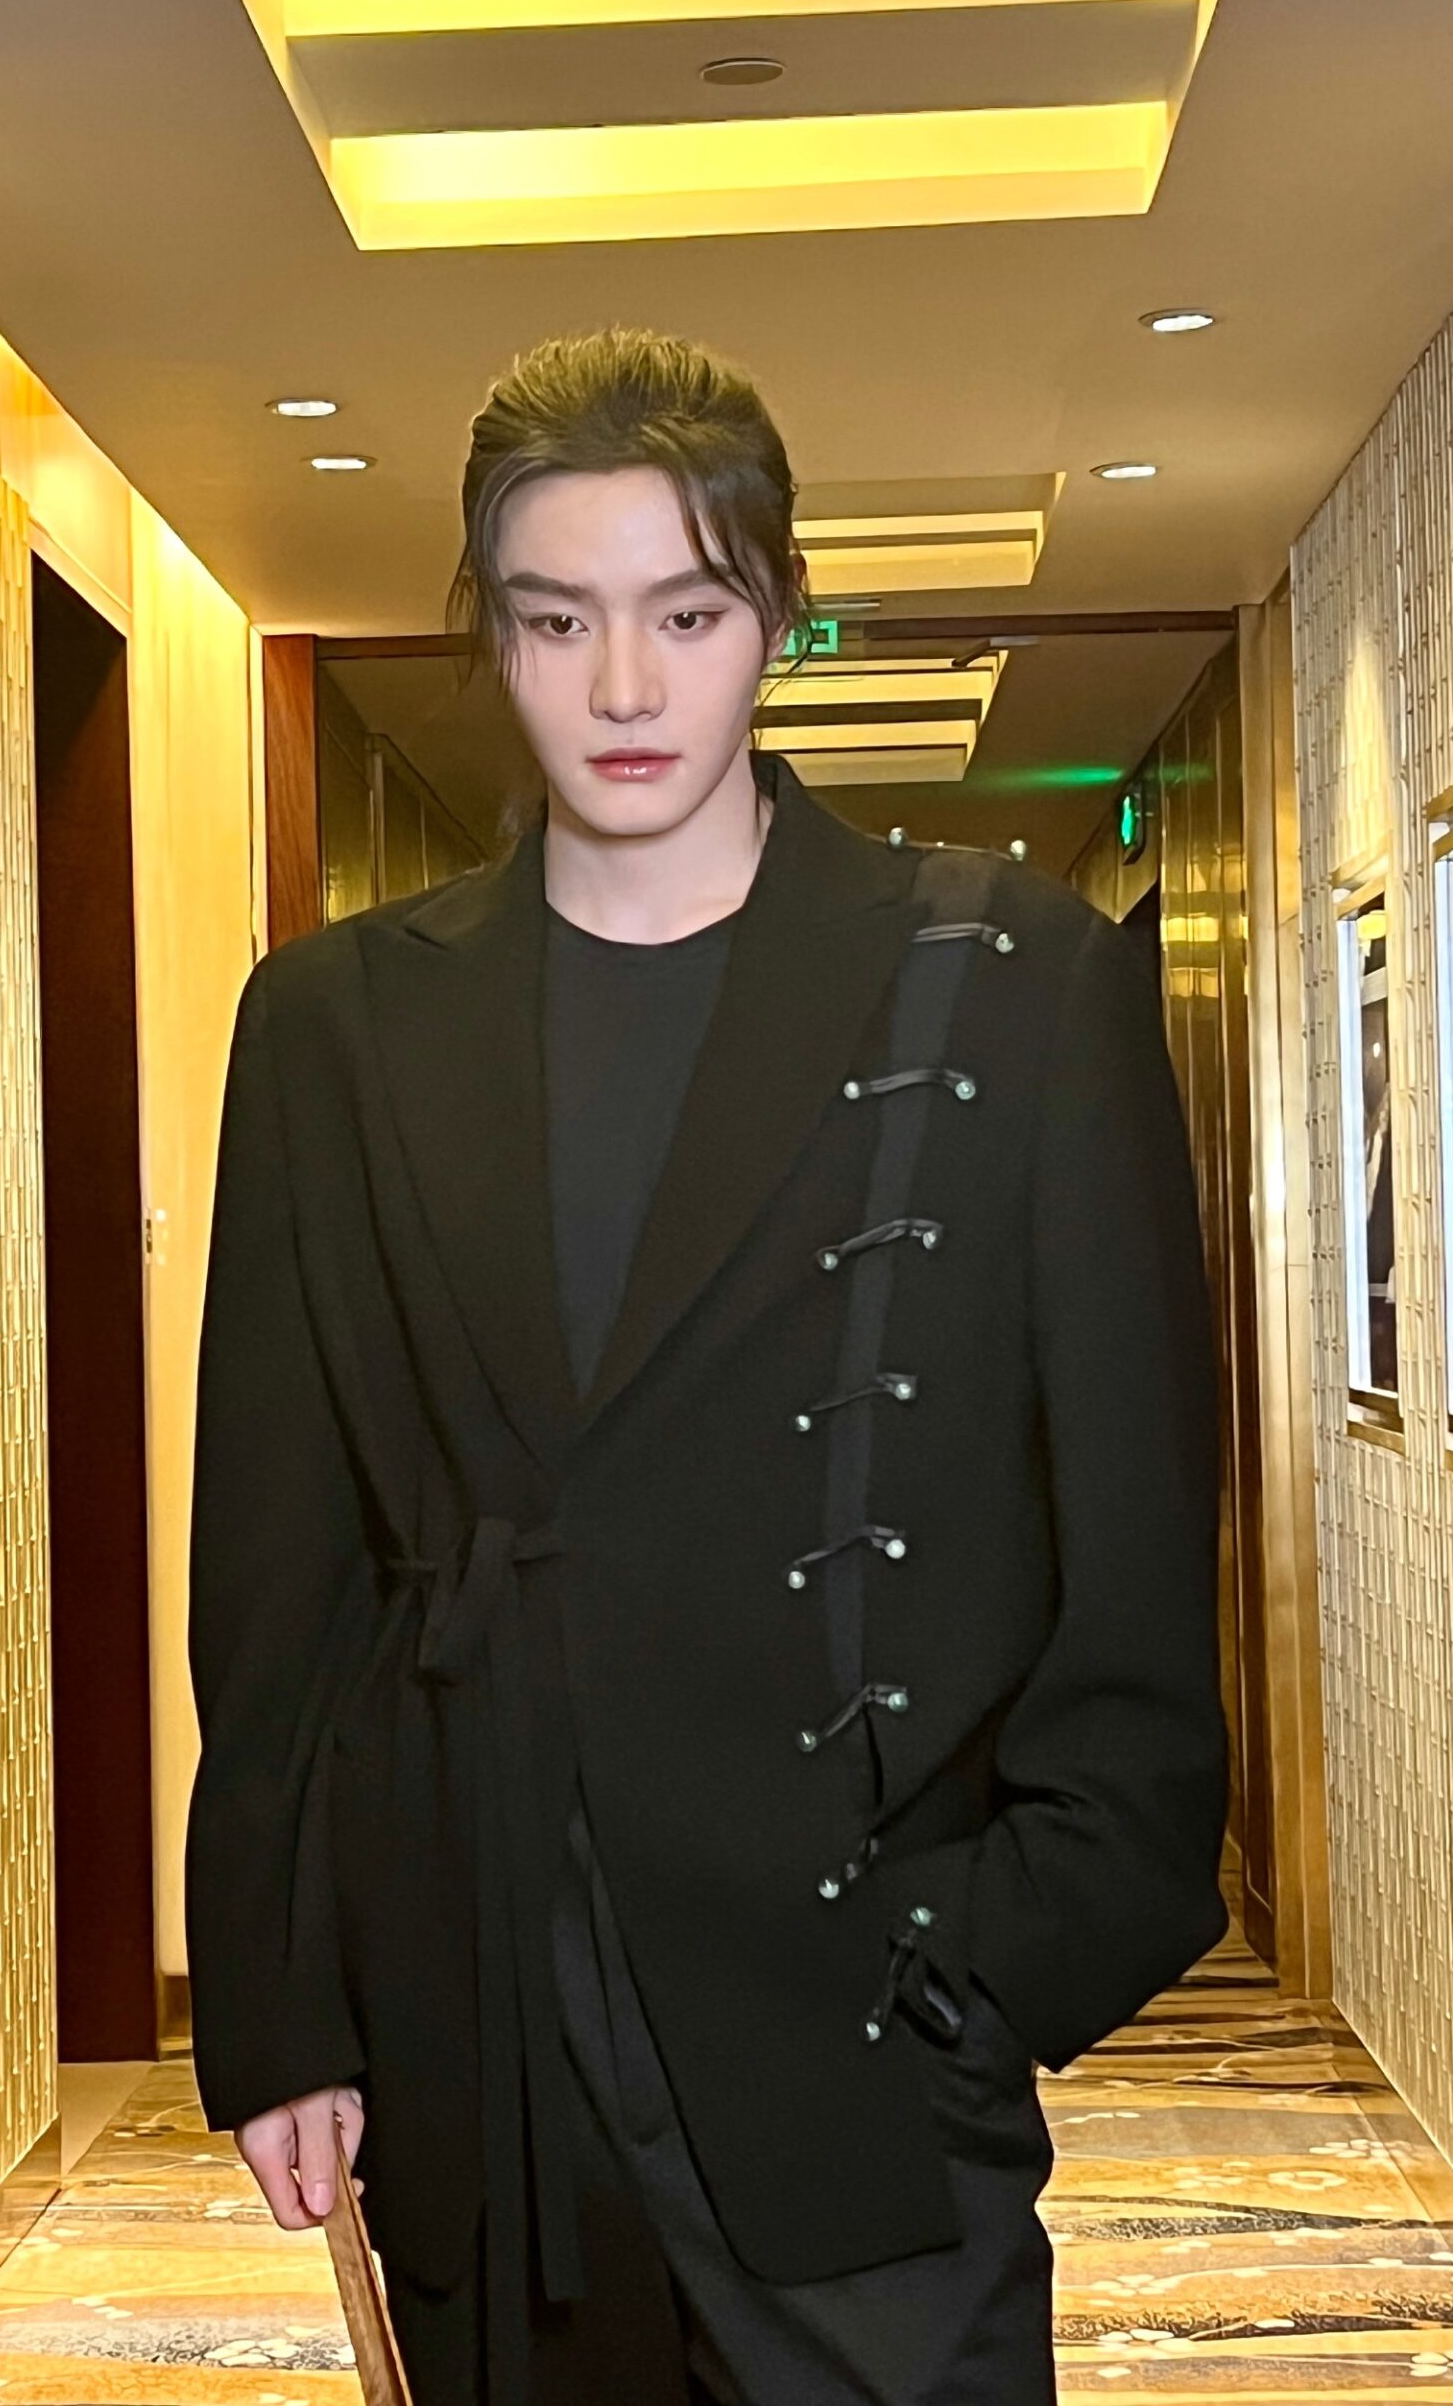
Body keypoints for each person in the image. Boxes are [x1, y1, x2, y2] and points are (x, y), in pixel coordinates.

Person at [186, 328, 1228, 2406]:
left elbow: (1132, 1532)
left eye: (686, 614)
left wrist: (1001, 1959)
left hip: (864, 2017)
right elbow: (277, 1565)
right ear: (491, 631)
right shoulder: (334, 1026)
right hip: (482, 2012)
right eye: (557, 619)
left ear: (778, 613)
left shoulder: (1009, 986)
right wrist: (285, 1997)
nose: (625, 689)